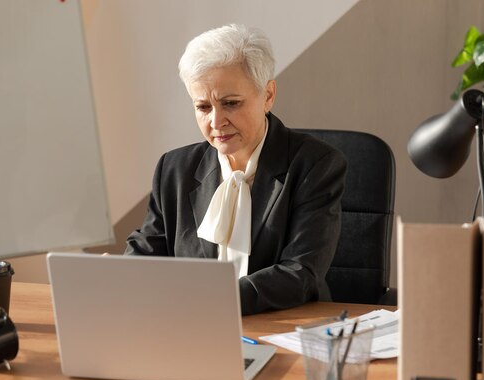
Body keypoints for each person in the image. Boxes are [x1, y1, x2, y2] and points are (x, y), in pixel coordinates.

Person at [125, 24, 347, 315]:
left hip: (282, 328)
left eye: (230, 103)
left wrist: (212, 300)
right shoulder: (174, 168)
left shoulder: (316, 164)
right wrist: (121, 275)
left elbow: (301, 273)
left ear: (268, 95)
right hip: (191, 329)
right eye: (203, 107)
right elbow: (146, 252)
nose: (216, 122)